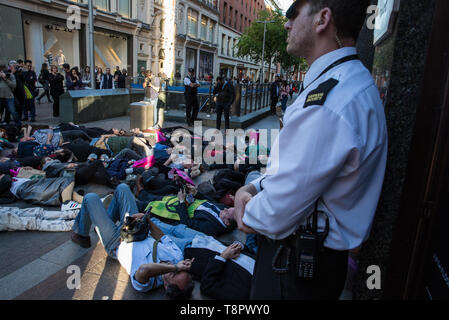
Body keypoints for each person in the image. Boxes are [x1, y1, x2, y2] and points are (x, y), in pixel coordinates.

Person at [234, 0, 387, 300]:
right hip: (314, 263)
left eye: (293, 15)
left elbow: (278, 211)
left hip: (294, 268)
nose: (287, 24)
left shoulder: (330, 102)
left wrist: (245, 211)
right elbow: (302, 175)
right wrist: (253, 185)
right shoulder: (348, 82)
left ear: (322, 19)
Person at [71, 183, 198, 298]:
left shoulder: (149, 283)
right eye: (180, 270)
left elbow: (143, 270)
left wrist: (174, 267)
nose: (175, 268)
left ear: (166, 285)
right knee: (123, 188)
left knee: (91, 198)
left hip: (117, 242)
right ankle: (104, 220)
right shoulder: (177, 256)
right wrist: (146, 219)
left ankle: (81, 234)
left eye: (173, 273)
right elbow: (161, 237)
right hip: (136, 228)